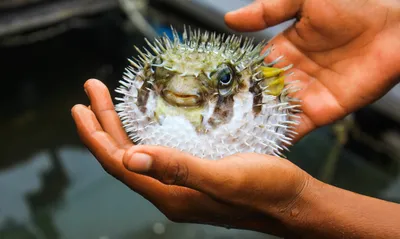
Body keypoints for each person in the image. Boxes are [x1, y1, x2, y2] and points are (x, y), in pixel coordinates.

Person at [71, 0, 400, 238]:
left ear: (257, 89)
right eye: (159, 75)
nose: (182, 89)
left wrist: (299, 206)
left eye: (225, 81)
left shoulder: (268, 93)